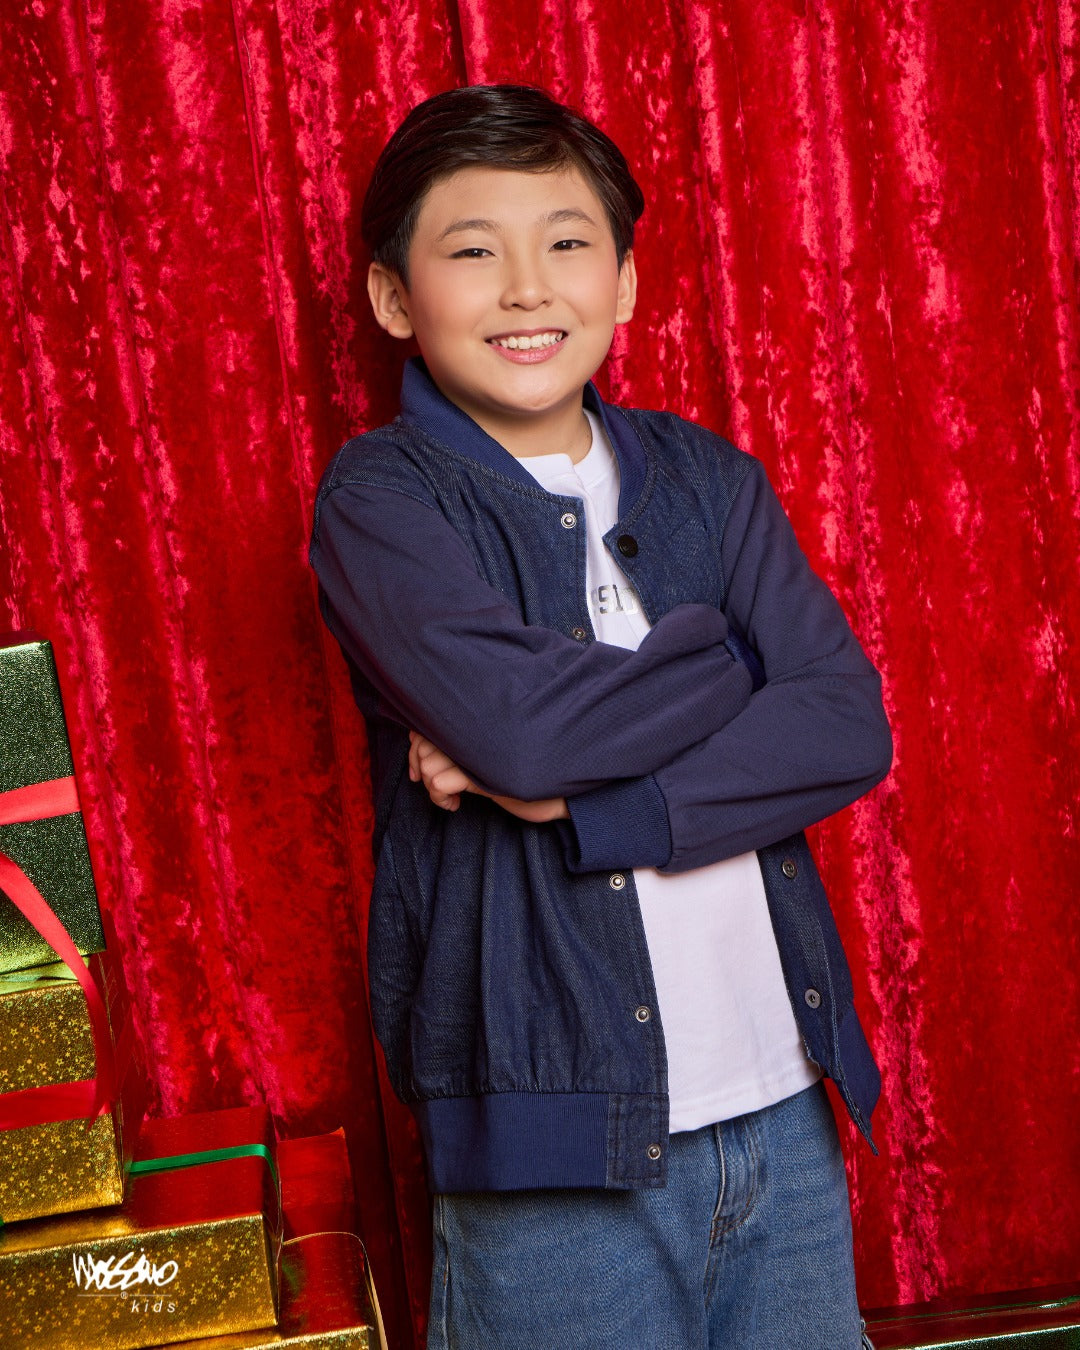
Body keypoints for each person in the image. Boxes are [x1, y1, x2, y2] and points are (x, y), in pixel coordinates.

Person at [310, 84, 892, 1350]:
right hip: (550, 1155)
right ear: (394, 298)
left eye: (567, 243)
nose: (528, 288)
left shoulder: (707, 478)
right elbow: (524, 736)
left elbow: (847, 723)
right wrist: (733, 661)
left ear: (623, 283)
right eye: (474, 252)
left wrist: (600, 803)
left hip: (781, 1108)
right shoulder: (383, 499)